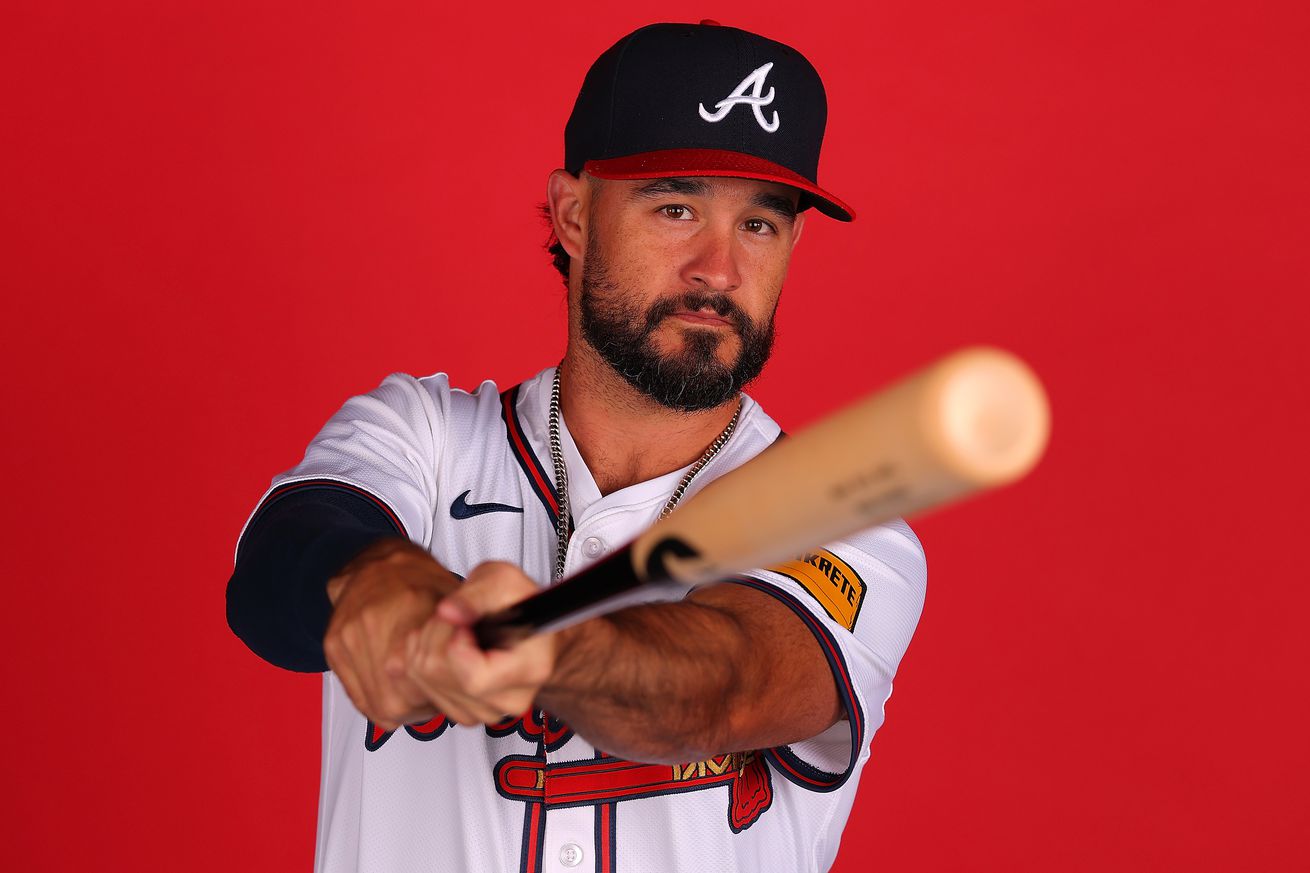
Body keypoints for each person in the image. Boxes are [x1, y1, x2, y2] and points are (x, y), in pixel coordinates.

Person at [228, 21, 926, 873]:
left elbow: (726, 685)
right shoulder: (425, 436)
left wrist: (542, 645)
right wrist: (384, 585)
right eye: (676, 207)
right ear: (572, 214)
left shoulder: (847, 519)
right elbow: (279, 564)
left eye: (761, 224)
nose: (719, 267)